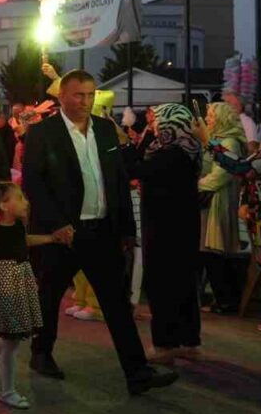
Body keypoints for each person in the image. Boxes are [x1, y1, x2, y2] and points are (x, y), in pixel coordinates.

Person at [21, 69, 178, 396]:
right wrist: (54, 224)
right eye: (78, 95)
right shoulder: (42, 133)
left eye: (90, 95)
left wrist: (125, 229)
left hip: (102, 230)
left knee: (116, 303)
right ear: (61, 96)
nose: (85, 101)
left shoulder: (106, 130)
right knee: (49, 297)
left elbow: (119, 180)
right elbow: (34, 183)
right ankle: (41, 352)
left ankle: (137, 372)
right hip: (62, 233)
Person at [126, 104, 203, 362]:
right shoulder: (188, 147)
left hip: (164, 228)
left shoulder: (170, 153)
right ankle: (188, 341)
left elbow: (136, 169)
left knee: (163, 285)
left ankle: (165, 345)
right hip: (184, 226)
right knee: (183, 284)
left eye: (157, 121)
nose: (154, 125)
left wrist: (142, 138)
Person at [0, 183, 59, 410]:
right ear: (3, 205)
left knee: (11, 334)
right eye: (19, 198)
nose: (26, 202)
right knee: (12, 341)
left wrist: (52, 238)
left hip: (20, 280)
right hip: (3, 284)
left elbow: (25, 241)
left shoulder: (19, 227)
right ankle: (7, 390)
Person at [198, 101, 248, 315]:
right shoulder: (217, 140)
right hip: (212, 200)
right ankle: (223, 298)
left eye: (211, 116)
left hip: (220, 200)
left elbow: (221, 175)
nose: (208, 119)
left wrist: (195, 186)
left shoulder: (229, 142)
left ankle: (227, 300)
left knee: (215, 250)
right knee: (211, 250)